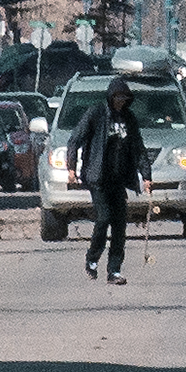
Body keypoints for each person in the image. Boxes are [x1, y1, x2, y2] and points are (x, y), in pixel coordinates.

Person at [79, 83, 146, 285]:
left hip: (119, 180)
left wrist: (147, 175)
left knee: (119, 226)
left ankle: (114, 270)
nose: (120, 101)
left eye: (124, 98)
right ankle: (92, 259)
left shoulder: (129, 118)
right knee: (103, 219)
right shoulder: (96, 114)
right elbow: (76, 139)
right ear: (110, 97)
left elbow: (138, 148)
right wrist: (71, 167)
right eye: (117, 97)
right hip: (98, 178)